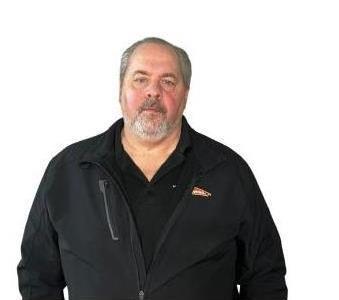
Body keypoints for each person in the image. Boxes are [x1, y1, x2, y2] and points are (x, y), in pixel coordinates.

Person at [17, 37, 288, 300]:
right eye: (140, 79)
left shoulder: (227, 173)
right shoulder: (69, 171)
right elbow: (36, 275)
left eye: (168, 81)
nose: (153, 91)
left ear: (186, 95)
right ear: (120, 90)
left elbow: (265, 277)